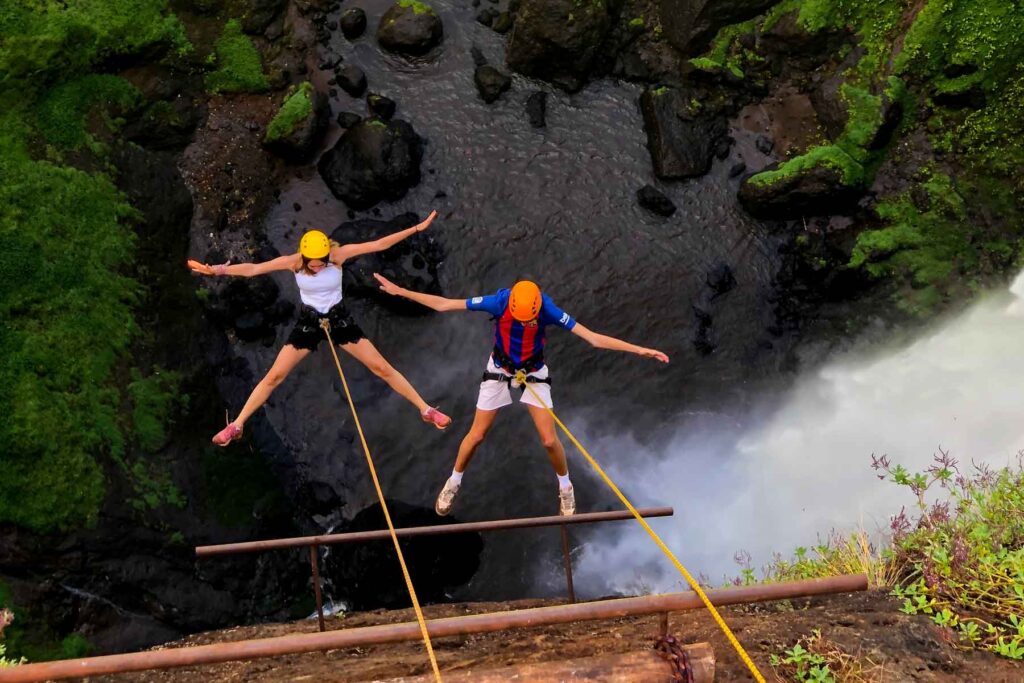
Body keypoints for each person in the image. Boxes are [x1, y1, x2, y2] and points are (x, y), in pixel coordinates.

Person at [372, 274, 669, 516]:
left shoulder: (548, 310)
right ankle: (454, 481)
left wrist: (639, 350)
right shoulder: (499, 302)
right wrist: (401, 292)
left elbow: (592, 338)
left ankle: (565, 487)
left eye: (529, 319)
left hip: (533, 372)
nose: (526, 321)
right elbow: (445, 305)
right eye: (521, 317)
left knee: (549, 439)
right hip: (499, 369)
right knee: (476, 436)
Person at [187, 211, 452, 446]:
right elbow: (255, 269)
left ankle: (425, 409)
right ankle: (237, 424)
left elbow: (378, 244)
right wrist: (219, 270)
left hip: (339, 319)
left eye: (321, 260)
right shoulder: (294, 261)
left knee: (381, 367)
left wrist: (416, 229)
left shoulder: (337, 256)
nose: (317, 265)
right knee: (274, 377)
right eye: (313, 261)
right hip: (309, 322)